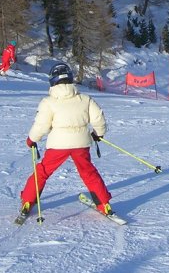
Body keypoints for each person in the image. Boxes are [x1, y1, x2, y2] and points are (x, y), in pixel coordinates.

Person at [18, 62, 114, 220]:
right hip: (81, 144)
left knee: (42, 172)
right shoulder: (85, 99)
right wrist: (98, 134)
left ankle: (28, 201)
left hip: (58, 146)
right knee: (88, 173)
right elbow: (98, 119)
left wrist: (31, 139)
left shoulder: (48, 102)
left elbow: (41, 125)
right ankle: (104, 204)